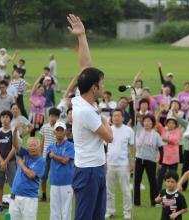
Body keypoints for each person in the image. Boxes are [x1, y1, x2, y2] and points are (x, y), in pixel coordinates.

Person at [68, 14, 113, 220]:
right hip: (89, 172)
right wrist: (104, 119)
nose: (103, 87)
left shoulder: (81, 98)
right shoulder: (87, 111)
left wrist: (82, 36)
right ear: (94, 88)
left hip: (94, 168)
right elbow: (109, 137)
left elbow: (86, 66)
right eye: (101, 84)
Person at [105, 109, 134, 219]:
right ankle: (110, 211)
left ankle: (127, 212)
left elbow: (132, 146)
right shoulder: (108, 129)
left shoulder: (128, 130)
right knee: (109, 190)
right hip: (110, 164)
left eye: (118, 116)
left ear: (123, 118)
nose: (116, 118)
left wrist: (133, 160)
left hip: (123, 165)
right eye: (114, 116)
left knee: (126, 190)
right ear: (111, 118)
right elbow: (104, 146)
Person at [9, 134, 45, 220]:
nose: (33, 148)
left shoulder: (41, 161)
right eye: (30, 146)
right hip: (15, 195)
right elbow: (15, 144)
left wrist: (21, 165)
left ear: (39, 147)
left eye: (35, 145)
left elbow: (31, 175)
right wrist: (15, 131)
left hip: (29, 198)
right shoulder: (25, 154)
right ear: (27, 148)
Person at [134, 114, 164, 207]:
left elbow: (161, 149)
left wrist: (160, 162)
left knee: (152, 182)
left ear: (153, 123)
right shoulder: (139, 131)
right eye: (145, 121)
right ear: (143, 123)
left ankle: (154, 202)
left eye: (149, 121)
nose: (147, 123)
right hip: (139, 159)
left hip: (151, 161)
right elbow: (133, 116)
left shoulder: (156, 135)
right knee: (137, 181)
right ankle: (136, 202)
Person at [46, 121, 75, 220]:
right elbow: (48, 159)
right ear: (54, 132)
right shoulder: (50, 146)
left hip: (67, 182)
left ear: (65, 132)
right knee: (54, 211)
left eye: (61, 130)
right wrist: (56, 157)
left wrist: (54, 156)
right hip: (54, 182)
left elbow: (65, 161)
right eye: (57, 130)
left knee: (66, 211)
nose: (59, 132)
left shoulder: (70, 146)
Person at [0, 110, 17, 213]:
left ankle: (14, 206)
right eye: (3, 117)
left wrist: (5, 161)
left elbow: (14, 148)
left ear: (10, 119)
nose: (5, 119)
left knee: (13, 185)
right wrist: (1, 161)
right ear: (0, 119)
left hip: (10, 162)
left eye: (7, 117)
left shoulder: (13, 131)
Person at [155, 113, 181, 193]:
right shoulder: (164, 130)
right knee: (159, 176)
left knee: (172, 177)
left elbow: (174, 140)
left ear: (175, 125)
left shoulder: (177, 132)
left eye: (173, 123)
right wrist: (160, 112)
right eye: (169, 122)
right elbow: (157, 123)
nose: (171, 124)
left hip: (173, 158)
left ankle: (171, 193)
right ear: (166, 123)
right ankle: (157, 193)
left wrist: (165, 139)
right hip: (163, 158)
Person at [39, 107, 60, 201]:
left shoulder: (60, 129)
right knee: (43, 177)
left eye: (55, 116)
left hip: (56, 156)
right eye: (51, 116)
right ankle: (43, 194)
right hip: (45, 156)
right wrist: (40, 154)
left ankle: (53, 196)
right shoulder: (44, 127)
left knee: (54, 177)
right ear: (49, 116)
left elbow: (62, 142)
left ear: (58, 117)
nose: (53, 118)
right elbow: (42, 141)